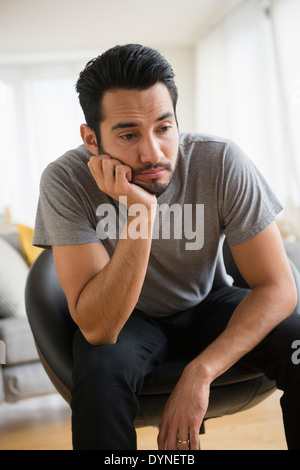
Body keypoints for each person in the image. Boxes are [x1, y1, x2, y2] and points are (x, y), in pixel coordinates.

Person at [33, 44, 300, 450]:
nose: (153, 153)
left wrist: (201, 372)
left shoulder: (222, 161)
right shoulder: (65, 181)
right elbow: (99, 327)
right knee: (99, 371)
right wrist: (141, 213)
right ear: (91, 138)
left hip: (209, 303)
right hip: (128, 320)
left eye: (164, 127)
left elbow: (279, 288)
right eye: (128, 134)